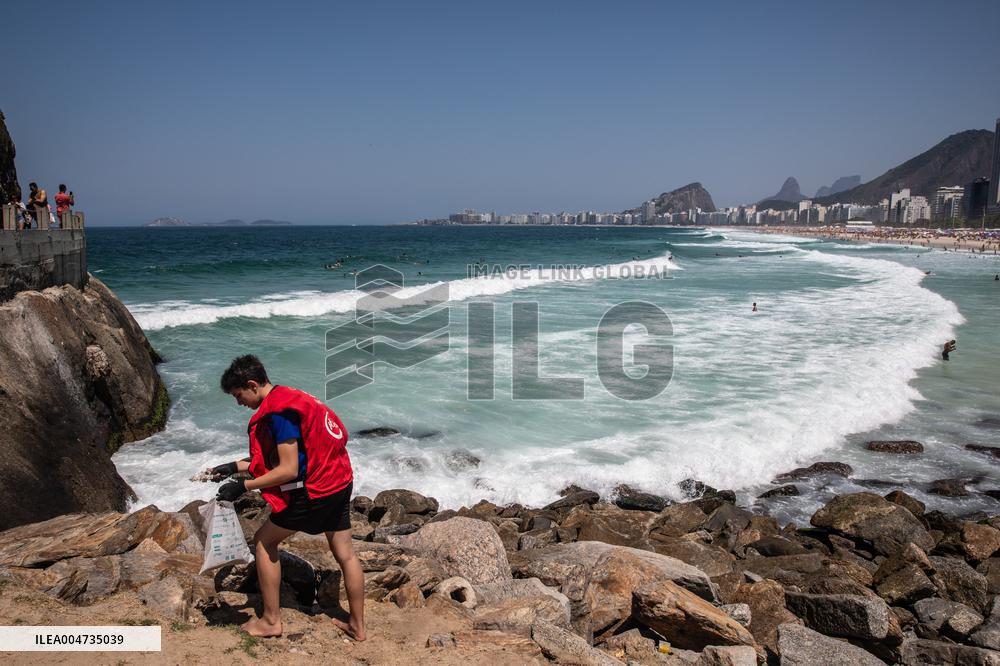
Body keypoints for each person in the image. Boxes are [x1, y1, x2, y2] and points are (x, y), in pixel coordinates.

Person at [209, 355, 365, 640]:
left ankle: (270, 621)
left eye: (238, 394)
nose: (238, 402)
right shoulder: (290, 397)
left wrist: (244, 487)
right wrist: (232, 467)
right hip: (340, 480)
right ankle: (357, 626)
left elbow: (288, 469)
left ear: (252, 385)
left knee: (264, 541)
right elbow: (286, 456)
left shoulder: (278, 414)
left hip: (316, 491)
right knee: (346, 554)